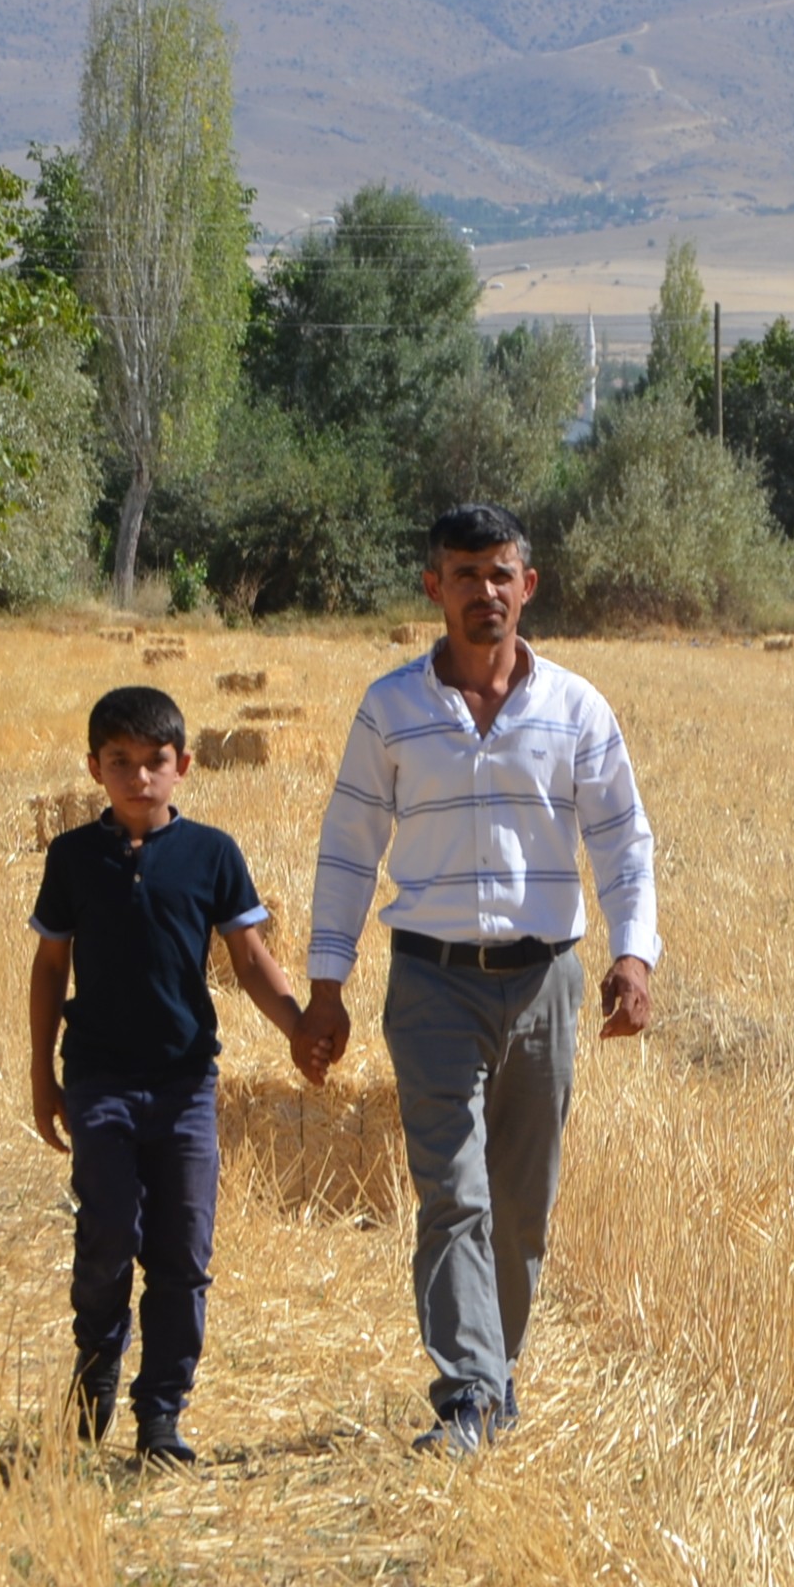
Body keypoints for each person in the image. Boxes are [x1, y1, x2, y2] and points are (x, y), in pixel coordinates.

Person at [293, 504, 659, 1456]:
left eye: (501, 575)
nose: (484, 593)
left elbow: (623, 839)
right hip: (432, 984)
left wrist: (634, 952)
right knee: (453, 1194)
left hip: (548, 984)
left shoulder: (576, 709)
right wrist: (325, 982)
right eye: (465, 575)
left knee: (523, 1204)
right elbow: (346, 852)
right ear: (435, 588)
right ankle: (467, 1397)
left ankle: (496, 1381)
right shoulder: (391, 708)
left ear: (526, 586)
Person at [28, 684, 311, 1464]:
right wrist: (39, 1074)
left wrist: (297, 1028)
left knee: (184, 1254)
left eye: (154, 762)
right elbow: (50, 968)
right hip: (98, 1080)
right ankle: (95, 1372)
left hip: (187, 1083)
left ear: (183, 766)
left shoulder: (213, 854)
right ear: (93, 768)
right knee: (110, 1233)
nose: (138, 778)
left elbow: (250, 957)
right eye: (119, 762)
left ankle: (161, 1417)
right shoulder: (73, 857)